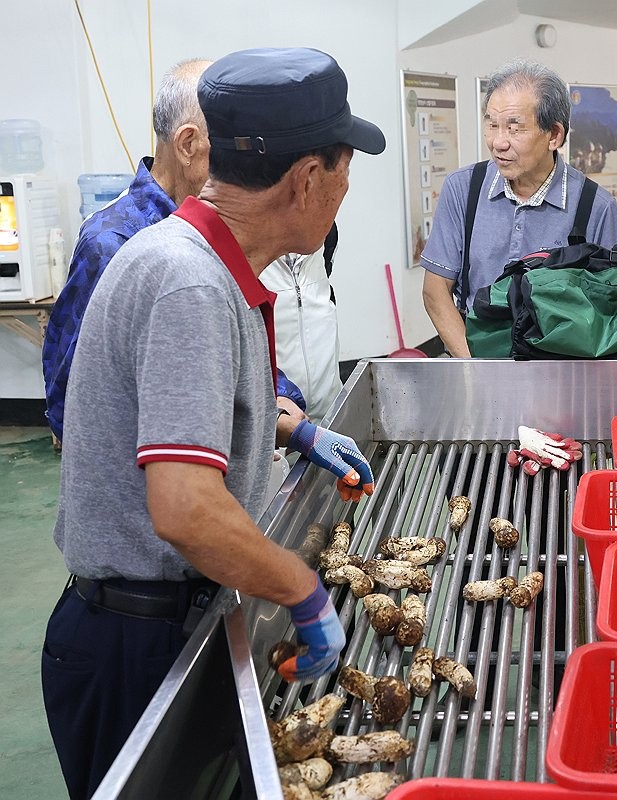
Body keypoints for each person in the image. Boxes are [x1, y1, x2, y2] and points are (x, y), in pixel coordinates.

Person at [40, 47, 385, 799]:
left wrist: (293, 431)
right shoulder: (189, 283)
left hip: (163, 621)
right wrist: (304, 591)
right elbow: (187, 508)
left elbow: (178, 413)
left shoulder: (203, 262)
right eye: (345, 169)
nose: (346, 189)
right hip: (132, 643)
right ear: (306, 181)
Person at [41, 58, 308, 445]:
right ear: (187, 144)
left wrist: (279, 399)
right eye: (233, 148)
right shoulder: (112, 244)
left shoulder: (218, 229)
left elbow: (235, 350)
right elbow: (71, 402)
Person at [420, 59, 617, 357]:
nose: (498, 142)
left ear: (554, 135)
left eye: (514, 129)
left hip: (559, 369)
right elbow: (435, 292)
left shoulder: (595, 206)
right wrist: (476, 367)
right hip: (473, 359)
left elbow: (611, 309)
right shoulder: (463, 189)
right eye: (491, 125)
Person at [261, 222, 343, 423]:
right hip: (276, 420)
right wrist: (277, 394)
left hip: (330, 413)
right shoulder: (243, 247)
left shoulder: (326, 233)